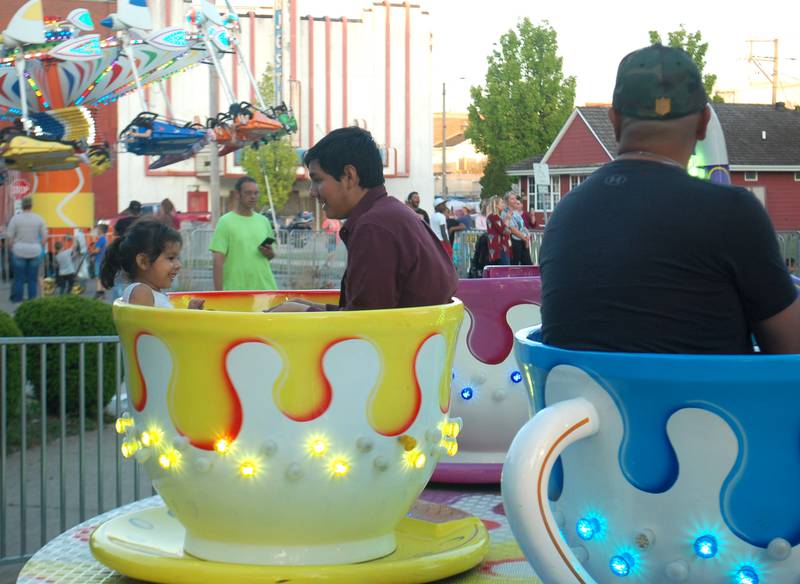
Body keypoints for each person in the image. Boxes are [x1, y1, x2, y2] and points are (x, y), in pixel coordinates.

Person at [540, 44, 800, 354]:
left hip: (582, 401)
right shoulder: (733, 214)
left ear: (615, 120)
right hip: (709, 403)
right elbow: (792, 351)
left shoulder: (565, 214)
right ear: (704, 123)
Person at [271, 126, 457, 311]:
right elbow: (368, 311)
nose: (312, 192)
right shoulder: (391, 215)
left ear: (349, 176)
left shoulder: (374, 228)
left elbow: (365, 326)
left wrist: (299, 312)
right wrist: (308, 307)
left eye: (317, 180)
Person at [100, 217, 203, 309]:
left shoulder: (153, 293)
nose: (178, 265)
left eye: (177, 258)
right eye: (171, 258)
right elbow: (149, 329)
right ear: (143, 261)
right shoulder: (142, 292)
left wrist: (189, 312)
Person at [209, 176, 277, 291]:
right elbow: (218, 262)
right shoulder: (225, 222)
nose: (253, 197)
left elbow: (271, 256)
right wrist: (218, 295)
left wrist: (269, 252)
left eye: (256, 193)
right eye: (248, 193)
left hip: (265, 288)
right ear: (237, 194)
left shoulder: (264, 221)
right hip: (236, 291)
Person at [6, 196, 47, 302]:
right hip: (35, 251)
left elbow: (9, 238)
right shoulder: (39, 218)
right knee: (32, 280)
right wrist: (39, 247)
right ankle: (31, 302)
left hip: (19, 251)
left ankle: (18, 302)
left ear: (22, 206)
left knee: (18, 279)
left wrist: (12, 248)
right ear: (31, 205)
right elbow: (44, 238)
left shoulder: (15, 219)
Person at [503, 194, 533, 265]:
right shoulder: (506, 212)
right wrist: (525, 239)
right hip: (515, 241)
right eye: (512, 199)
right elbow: (512, 229)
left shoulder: (516, 212)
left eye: (515, 199)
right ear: (507, 201)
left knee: (528, 263)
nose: (515, 201)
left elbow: (522, 225)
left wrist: (527, 234)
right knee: (515, 264)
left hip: (522, 240)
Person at [485, 195, 511, 266]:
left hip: (496, 249)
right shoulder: (494, 217)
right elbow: (505, 231)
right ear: (496, 205)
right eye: (501, 203)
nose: (503, 205)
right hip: (500, 249)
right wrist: (508, 219)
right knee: (504, 272)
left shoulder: (492, 217)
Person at [91, 224, 109, 299]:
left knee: (98, 277)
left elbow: (97, 250)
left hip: (99, 260)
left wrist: (92, 252)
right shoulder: (105, 239)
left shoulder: (100, 239)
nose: (96, 231)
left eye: (97, 229)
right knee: (102, 276)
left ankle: (99, 292)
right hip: (103, 259)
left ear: (100, 230)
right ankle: (102, 293)